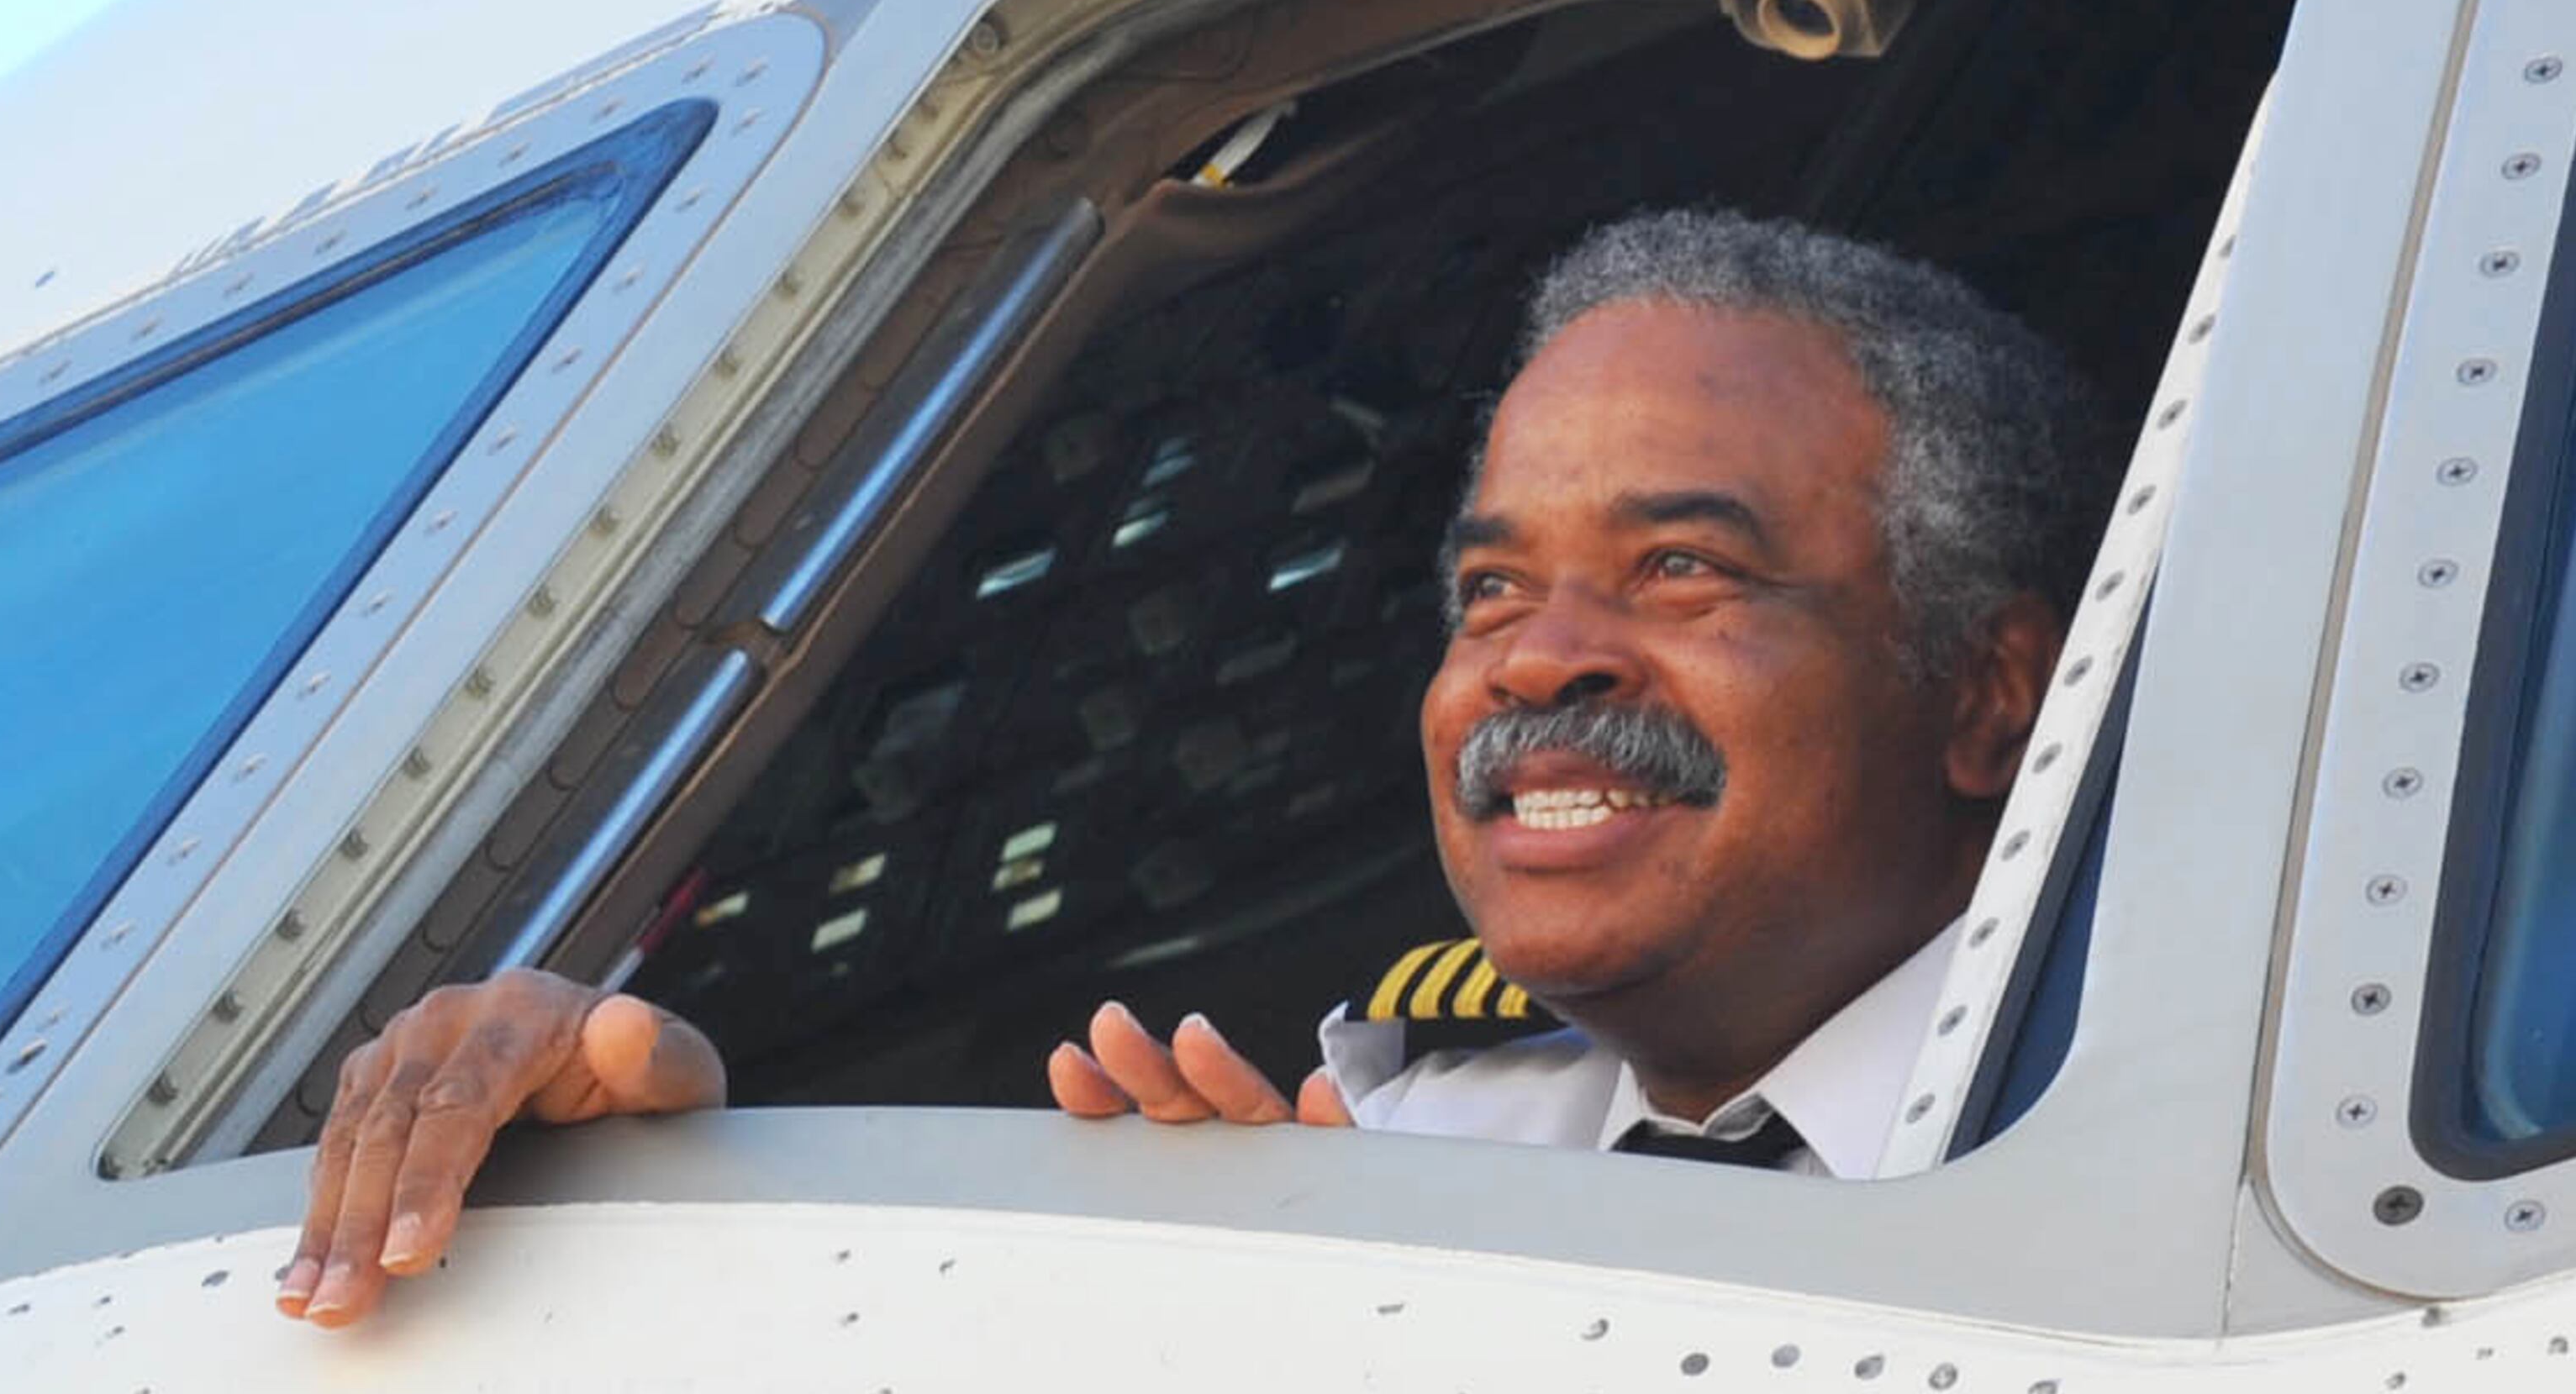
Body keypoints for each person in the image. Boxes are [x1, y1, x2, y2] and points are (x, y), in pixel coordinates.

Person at [277, 208, 2094, 1328]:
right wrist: (679, 1171)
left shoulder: (2153, 1094)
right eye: (1488, 590)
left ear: (1986, 693)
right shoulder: (1389, 1146)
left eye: (1681, 569)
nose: (1538, 661)